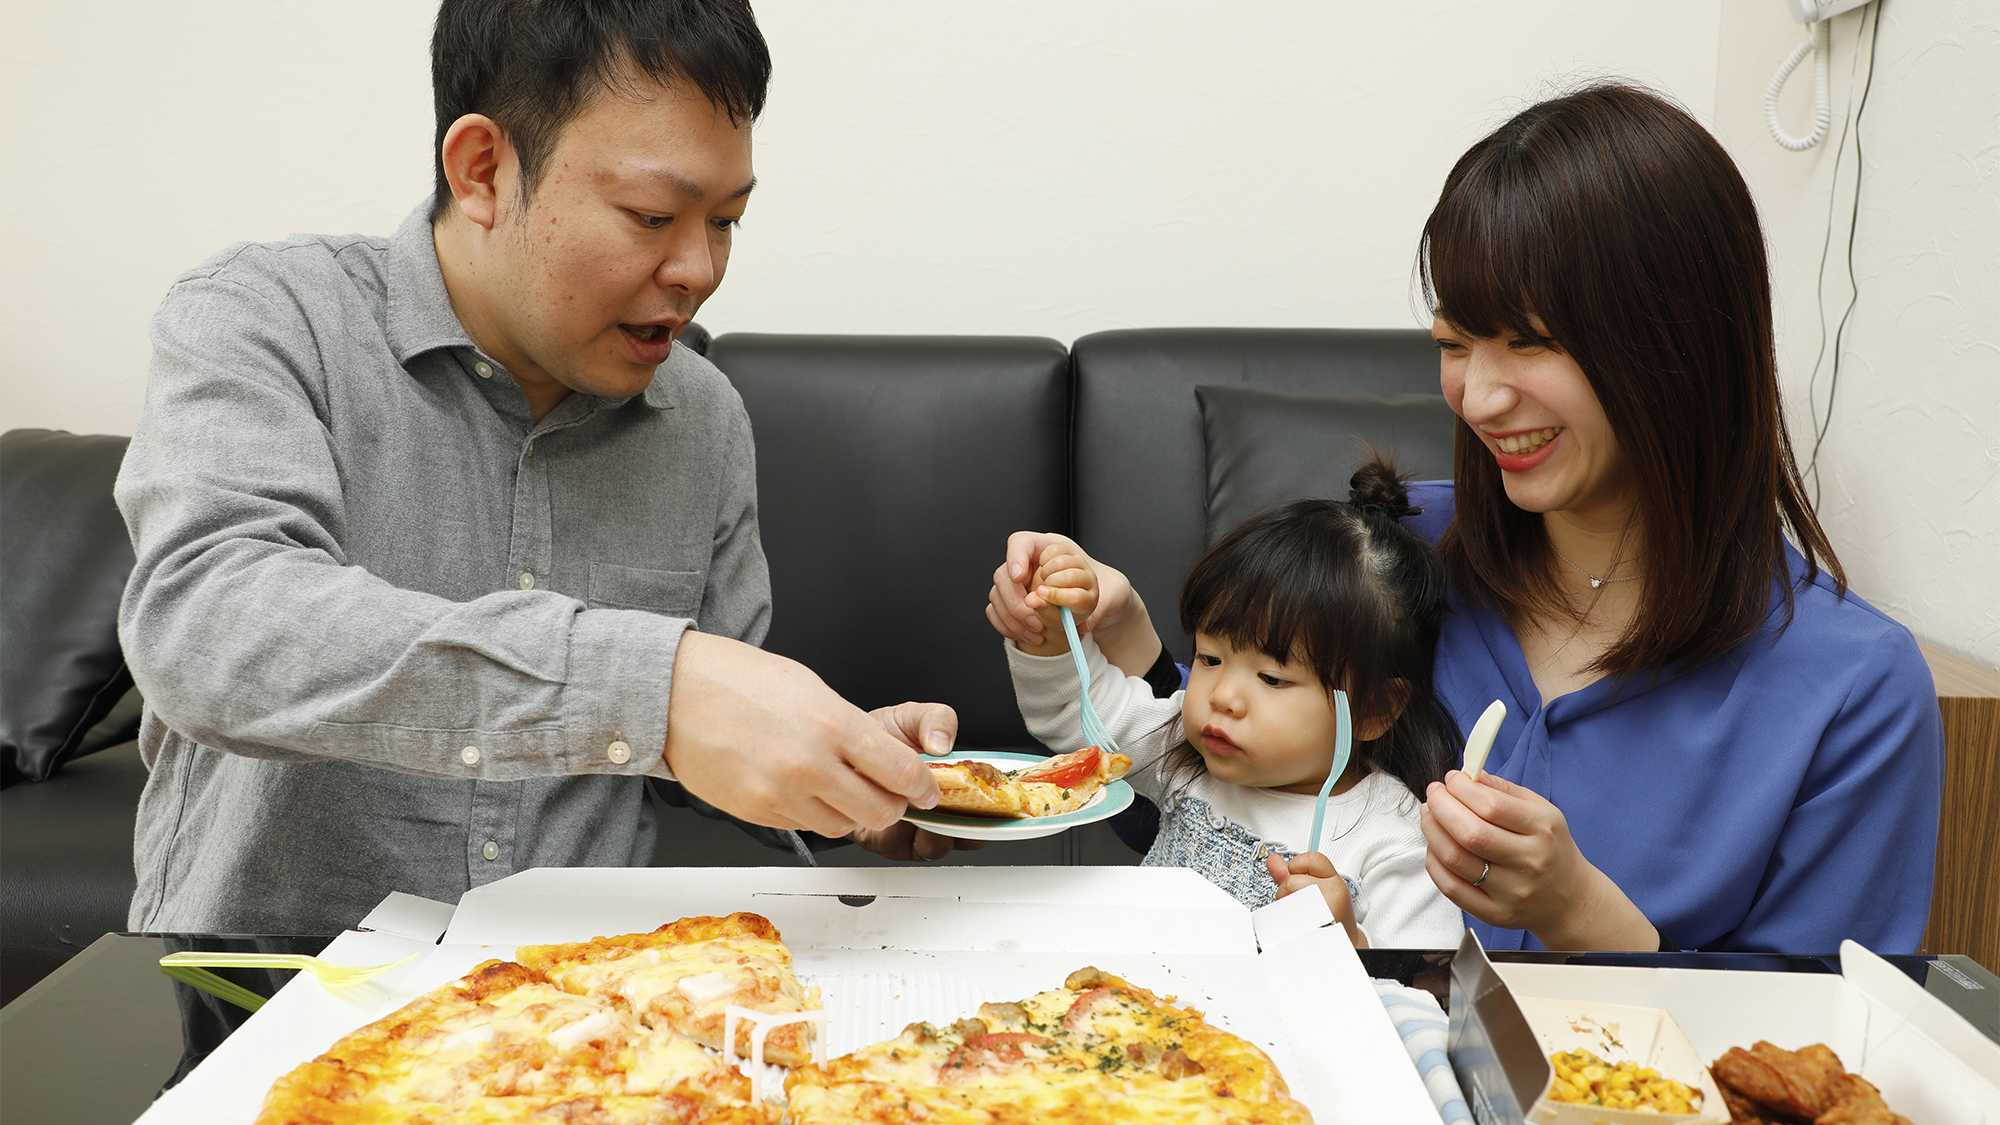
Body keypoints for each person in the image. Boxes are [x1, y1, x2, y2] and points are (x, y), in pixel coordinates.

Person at [992, 82, 1943, 954]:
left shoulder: (1853, 693)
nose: (1478, 396)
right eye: (1454, 340)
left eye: (1529, 342)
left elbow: (1811, 1064)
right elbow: (1198, 803)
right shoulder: (1391, 552)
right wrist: (1116, 640)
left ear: (1679, 346)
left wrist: (1582, 916)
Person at [115, 0, 963, 937]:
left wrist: (839, 776)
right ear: (483, 170)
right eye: (652, 215)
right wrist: (656, 685)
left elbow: (692, 752)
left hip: (580, 1008)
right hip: (275, 977)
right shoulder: (267, 317)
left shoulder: (704, 414)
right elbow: (207, 628)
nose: (698, 268)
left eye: (726, 220)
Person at [993, 462, 1465, 949]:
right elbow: (1080, 713)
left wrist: (1348, 942)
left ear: (1373, 709)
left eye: (1272, 678)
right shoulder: (1186, 756)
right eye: (1210, 657)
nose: (1223, 696)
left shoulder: (1397, 840)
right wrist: (1048, 633)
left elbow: (1421, 998)